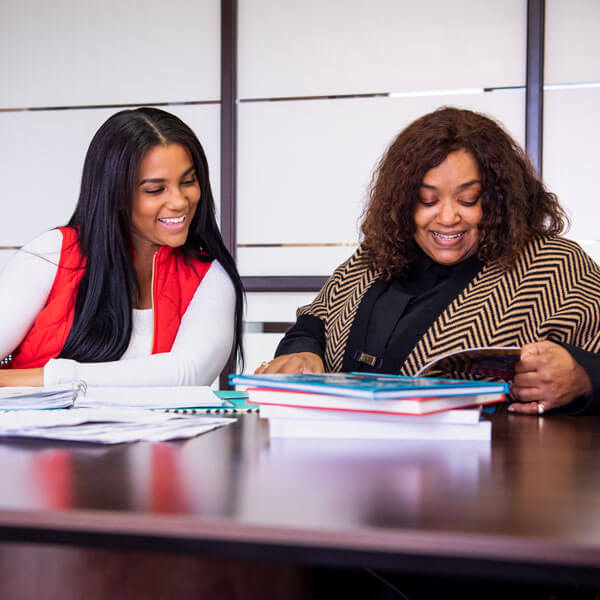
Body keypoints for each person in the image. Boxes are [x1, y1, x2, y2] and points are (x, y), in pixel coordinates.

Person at [257, 107, 600, 415]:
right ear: (403, 201)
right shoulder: (373, 257)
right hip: (346, 468)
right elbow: (314, 323)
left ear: (499, 200)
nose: (448, 217)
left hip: (488, 474)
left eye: (468, 200)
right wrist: (303, 354)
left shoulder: (554, 265)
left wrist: (584, 378)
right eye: (427, 200)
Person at [0, 107, 244, 388]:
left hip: (156, 433)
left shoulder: (209, 276)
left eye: (188, 181)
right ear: (115, 194)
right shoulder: (51, 254)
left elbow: (187, 374)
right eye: (155, 189)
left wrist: (39, 378)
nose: (179, 201)